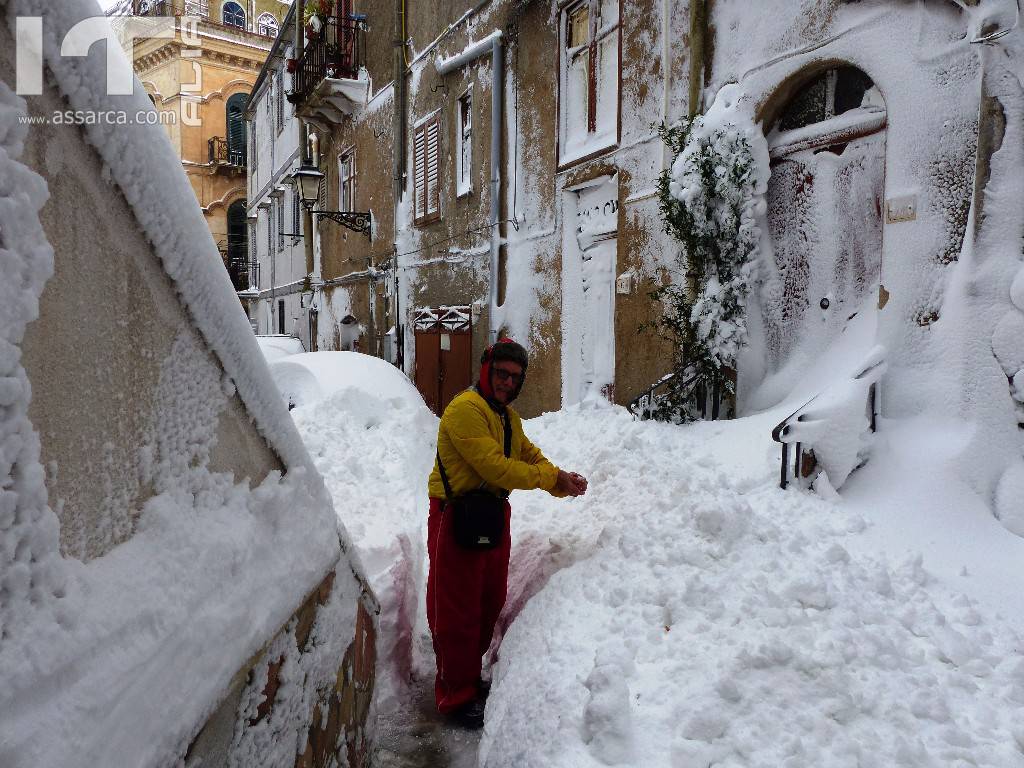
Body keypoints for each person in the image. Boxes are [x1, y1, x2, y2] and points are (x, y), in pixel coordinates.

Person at [426, 338, 588, 729]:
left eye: (515, 377)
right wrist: (550, 478)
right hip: (455, 518)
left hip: (491, 516)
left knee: (489, 601)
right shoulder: (465, 410)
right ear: (486, 369)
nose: (508, 383)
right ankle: (453, 694)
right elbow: (495, 467)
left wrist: (559, 480)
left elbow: (528, 455)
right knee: (457, 611)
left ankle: (468, 677)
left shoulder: (506, 418)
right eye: (502, 374)